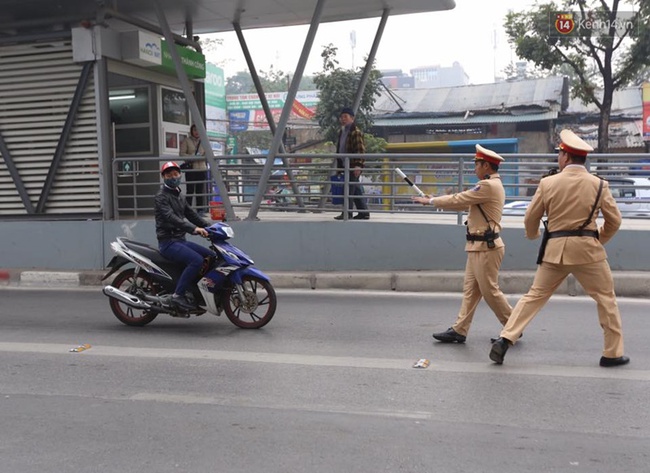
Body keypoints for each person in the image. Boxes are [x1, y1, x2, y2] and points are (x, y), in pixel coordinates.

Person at [490, 129, 629, 367]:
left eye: (560, 154)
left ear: (565, 156)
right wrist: (597, 240)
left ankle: (505, 338)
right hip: (588, 252)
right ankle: (612, 353)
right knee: (606, 299)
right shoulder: (599, 185)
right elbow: (614, 220)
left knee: (533, 297)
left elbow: (530, 218)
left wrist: (533, 235)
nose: (558, 158)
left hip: (554, 251)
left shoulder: (547, 183)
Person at [413, 145, 512, 342]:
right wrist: (434, 199)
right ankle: (460, 329)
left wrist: (431, 202)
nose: (474, 168)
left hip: (486, 247)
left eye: (476, 164)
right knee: (471, 291)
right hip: (478, 246)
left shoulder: (487, 186)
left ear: (486, 165)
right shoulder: (488, 186)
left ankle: (513, 327)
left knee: (490, 291)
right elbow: (461, 203)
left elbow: (460, 197)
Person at [155, 161, 215, 312]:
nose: (173, 177)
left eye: (176, 174)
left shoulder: (180, 195)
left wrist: (211, 227)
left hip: (180, 241)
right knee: (196, 260)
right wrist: (194, 229)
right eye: (169, 174)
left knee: (211, 256)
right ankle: (178, 295)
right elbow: (172, 218)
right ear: (163, 177)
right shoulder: (161, 197)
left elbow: (191, 214)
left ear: (180, 174)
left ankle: (195, 289)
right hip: (168, 242)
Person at [334, 107, 369, 220]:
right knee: (355, 189)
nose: (343, 119)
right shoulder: (342, 132)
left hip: (353, 165)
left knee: (348, 189)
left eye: (346, 117)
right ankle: (364, 212)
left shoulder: (356, 132)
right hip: (345, 164)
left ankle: (347, 213)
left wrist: (358, 165)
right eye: (341, 117)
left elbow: (360, 150)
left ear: (352, 118)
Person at [180, 124, 207, 213]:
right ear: (192, 131)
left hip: (201, 168)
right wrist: (193, 157)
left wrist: (202, 157)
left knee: (200, 190)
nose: (197, 132)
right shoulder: (187, 141)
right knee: (190, 190)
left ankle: (200, 211)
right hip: (191, 169)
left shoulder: (204, 141)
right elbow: (182, 154)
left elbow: (208, 154)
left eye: (198, 130)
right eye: (195, 130)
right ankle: (188, 211)